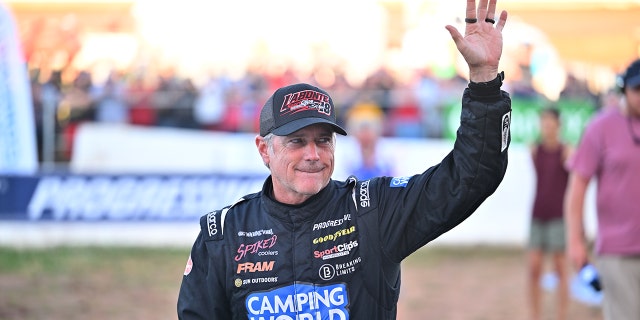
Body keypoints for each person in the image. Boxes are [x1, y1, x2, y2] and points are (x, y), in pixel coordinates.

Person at [178, 0, 511, 318]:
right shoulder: (222, 235)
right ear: (265, 150)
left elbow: (470, 177)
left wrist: (484, 82)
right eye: (297, 141)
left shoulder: (372, 212)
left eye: (323, 140)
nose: (313, 154)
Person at [565, 58, 640, 320]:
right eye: (637, 89)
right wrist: (576, 241)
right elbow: (577, 187)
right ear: (624, 90)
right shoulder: (601, 127)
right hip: (617, 251)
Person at [527, 108, 571, 320]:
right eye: (544, 123)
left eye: (550, 123)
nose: (547, 127)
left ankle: (561, 315)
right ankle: (535, 315)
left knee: (560, 268)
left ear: (558, 125)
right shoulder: (535, 151)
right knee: (534, 268)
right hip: (538, 213)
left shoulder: (566, 152)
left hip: (558, 216)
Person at [344, 99, 393, 180]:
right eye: (362, 131)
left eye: (368, 131)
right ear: (355, 134)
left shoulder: (387, 158)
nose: (365, 136)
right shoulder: (348, 158)